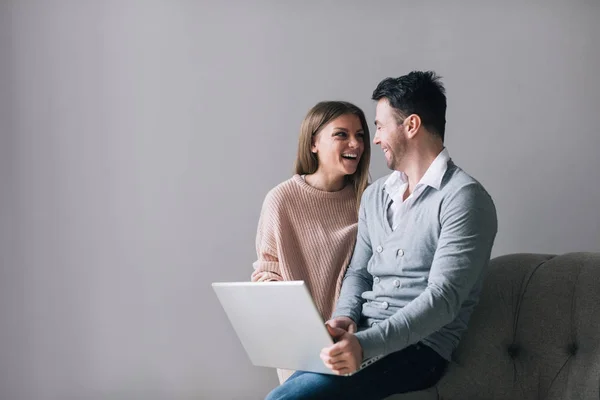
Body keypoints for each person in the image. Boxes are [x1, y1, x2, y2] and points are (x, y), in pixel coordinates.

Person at [265, 71, 498, 400]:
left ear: (411, 125)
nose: (372, 141)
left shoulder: (464, 198)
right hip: (364, 334)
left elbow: (443, 300)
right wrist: (345, 318)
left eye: (379, 126)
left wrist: (364, 344)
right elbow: (359, 271)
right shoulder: (375, 196)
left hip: (419, 350)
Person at [251, 101, 371, 384]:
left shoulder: (369, 200)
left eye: (361, 135)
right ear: (314, 143)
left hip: (357, 343)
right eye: (341, 134)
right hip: (300, 349)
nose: (355, 143)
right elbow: (266, 273)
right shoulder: (281, 200)